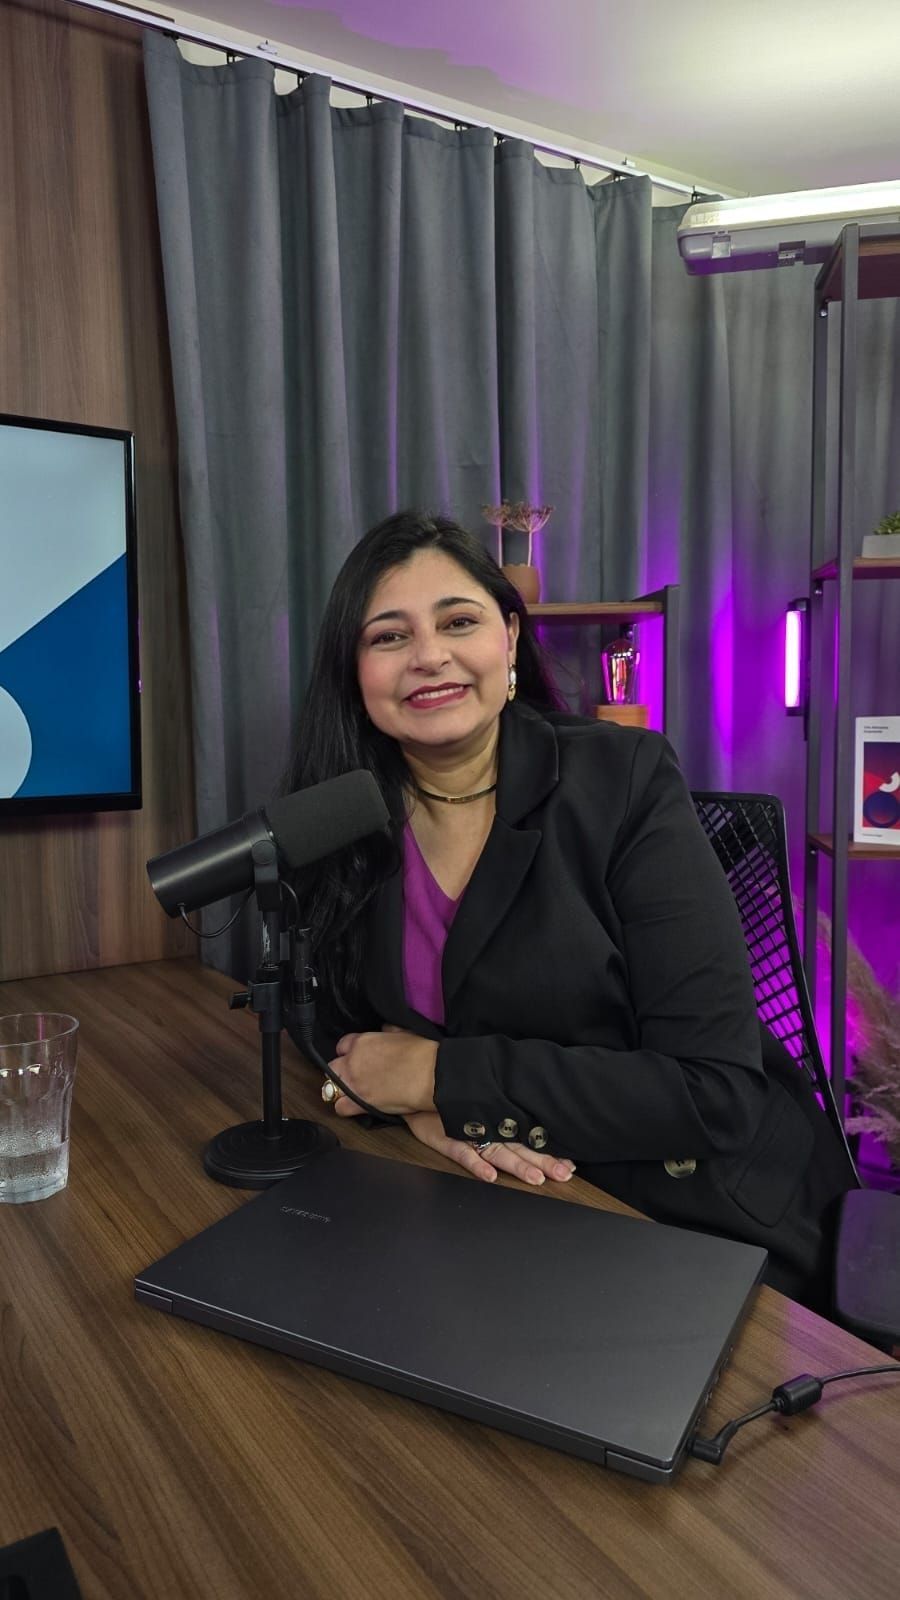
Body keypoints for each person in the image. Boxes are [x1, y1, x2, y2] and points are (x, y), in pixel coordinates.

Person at [284, 510, 851, 1310]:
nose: (429, 655)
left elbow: (714, 1092)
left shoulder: (623, 779)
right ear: (354, 669)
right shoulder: (345, 811)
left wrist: (442, 1078)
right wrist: (413, 1105)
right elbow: (321, 1018)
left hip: (692, 1218)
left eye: (458, 621)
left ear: (510, 639)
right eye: (389, 636)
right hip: (489, 1211)